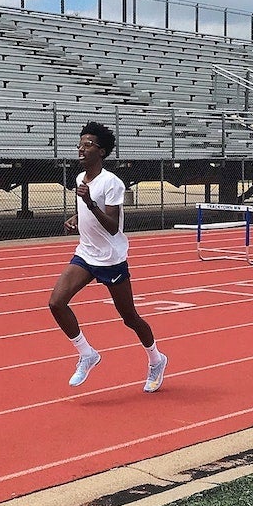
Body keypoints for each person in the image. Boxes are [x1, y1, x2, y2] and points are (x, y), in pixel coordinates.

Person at [48, 121, 168, 392]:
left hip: (111, 259)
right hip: (86, 254)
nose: (81, 148)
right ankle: (87, 353)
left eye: (88, 144)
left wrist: (90, 204)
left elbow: (113, 226)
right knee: (56, 302)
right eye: (80, 144)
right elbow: (89, 210)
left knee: (130, 318)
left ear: (101, 151)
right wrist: (77, 217)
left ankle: (156, 359)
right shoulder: (80, 179)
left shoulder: (112, 183)